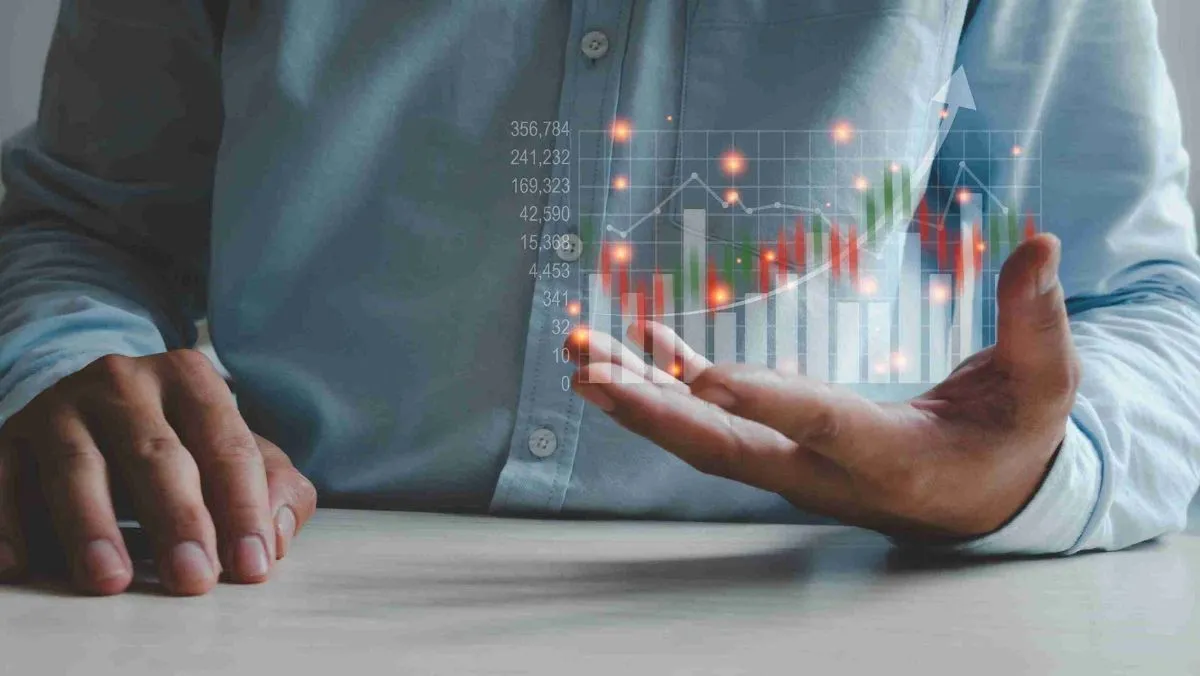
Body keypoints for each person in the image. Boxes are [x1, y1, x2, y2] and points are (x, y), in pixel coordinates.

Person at [1, 0, 1197, 598]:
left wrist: (1028, 475)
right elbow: (78, 223)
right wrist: (68, 357)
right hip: (237, 593)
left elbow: (1153, 308)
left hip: (835, 606)